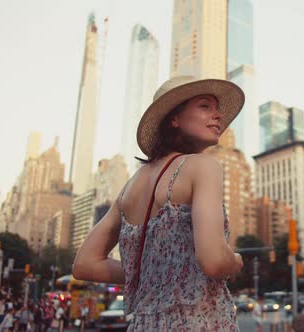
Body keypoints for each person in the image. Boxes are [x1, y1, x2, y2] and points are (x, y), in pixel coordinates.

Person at [73, 76, 245, 331]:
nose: (218, 115)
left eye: (217, 108)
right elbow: (214, 261)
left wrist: (155, 274)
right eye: (205, 106)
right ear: (174, 119)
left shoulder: (129, 188)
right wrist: (235, 261)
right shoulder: (203, 166)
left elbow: (85, 263)